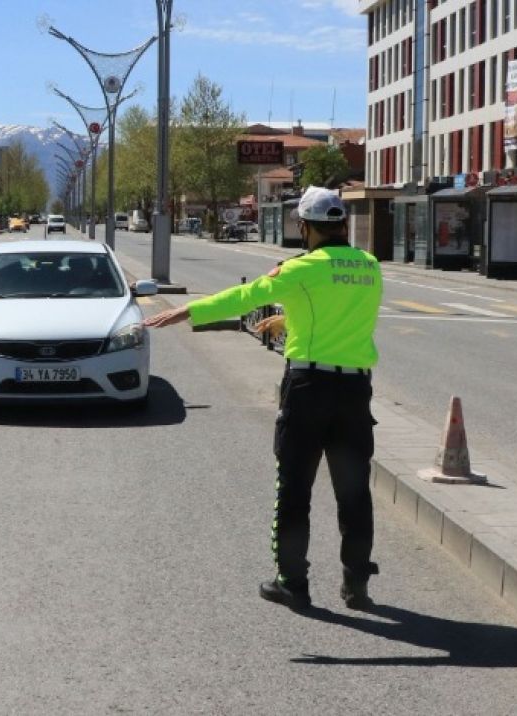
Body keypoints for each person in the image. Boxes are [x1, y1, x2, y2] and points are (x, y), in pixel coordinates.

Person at [144, 186, 384, 611]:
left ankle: (293, 581)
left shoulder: (299, 269)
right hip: (354, 393)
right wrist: (292, 317)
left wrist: (186, 312)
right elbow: (340, 312)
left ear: (305, 227)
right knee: (354, 492)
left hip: (309, 390)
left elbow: (244, 296)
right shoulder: (369, 267)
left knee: (294, 488)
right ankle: (356, 584)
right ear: (342, 225)